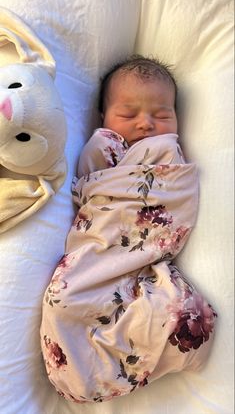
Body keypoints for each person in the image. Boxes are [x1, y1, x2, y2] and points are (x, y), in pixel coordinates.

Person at [40, 55, 217, 404]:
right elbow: (90, 186)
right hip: (99, 248)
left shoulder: (169, 154)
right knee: (63, 299)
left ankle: (124, 356)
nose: (146, 124)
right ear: (102, 116)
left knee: (181, 312)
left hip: (145, 256)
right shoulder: (103, 145)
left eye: (162, 114)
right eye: (128, 114)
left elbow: (176, 198)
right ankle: (84, 371)